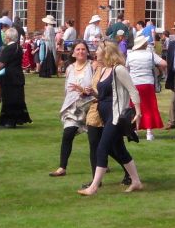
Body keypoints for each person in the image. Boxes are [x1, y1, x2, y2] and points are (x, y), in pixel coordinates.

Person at [78, 42, 143, 195]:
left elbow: (133, 91)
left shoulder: (118, 69)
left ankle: (93, 187)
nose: (95, 52)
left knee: (102, 148)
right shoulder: (104, 69)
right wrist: (92, 92)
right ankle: (136, 181)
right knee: (119, 150)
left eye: (98, 49)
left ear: (106, 52)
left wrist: (138, 112)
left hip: (116, 116)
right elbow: (104, 95)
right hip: (105, 115)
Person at [49, 41, 96, 177]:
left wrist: (85, 91)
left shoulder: (92, 66)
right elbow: (67, 89)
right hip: (73, 108)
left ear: (87, 52)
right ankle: (62, 167)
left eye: (83, 49)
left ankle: (101, 164)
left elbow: (97, 86)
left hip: (90, 107)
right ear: (74, 53)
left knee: (95, 140)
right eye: (78, 49)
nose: (81, 51)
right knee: (67, 134)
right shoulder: (69, 68)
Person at [125, 34, 166, 141]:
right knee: (149, 107)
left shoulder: (130, 55)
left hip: (134, 83)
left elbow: (126, 68)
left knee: (134, 107)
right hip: (147, 83)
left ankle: (135, 130)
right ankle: (149, 132)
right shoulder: (150, 54)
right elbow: (164, 63)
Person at [0, 27, 32, 128]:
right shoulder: (18, 47)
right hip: (18, 74)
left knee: (9, 98)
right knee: (17, 97)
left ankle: (9, 121)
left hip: (9, 76)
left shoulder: (8, 49)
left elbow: (1, 63)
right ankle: (17, 118)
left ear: (8, 37)